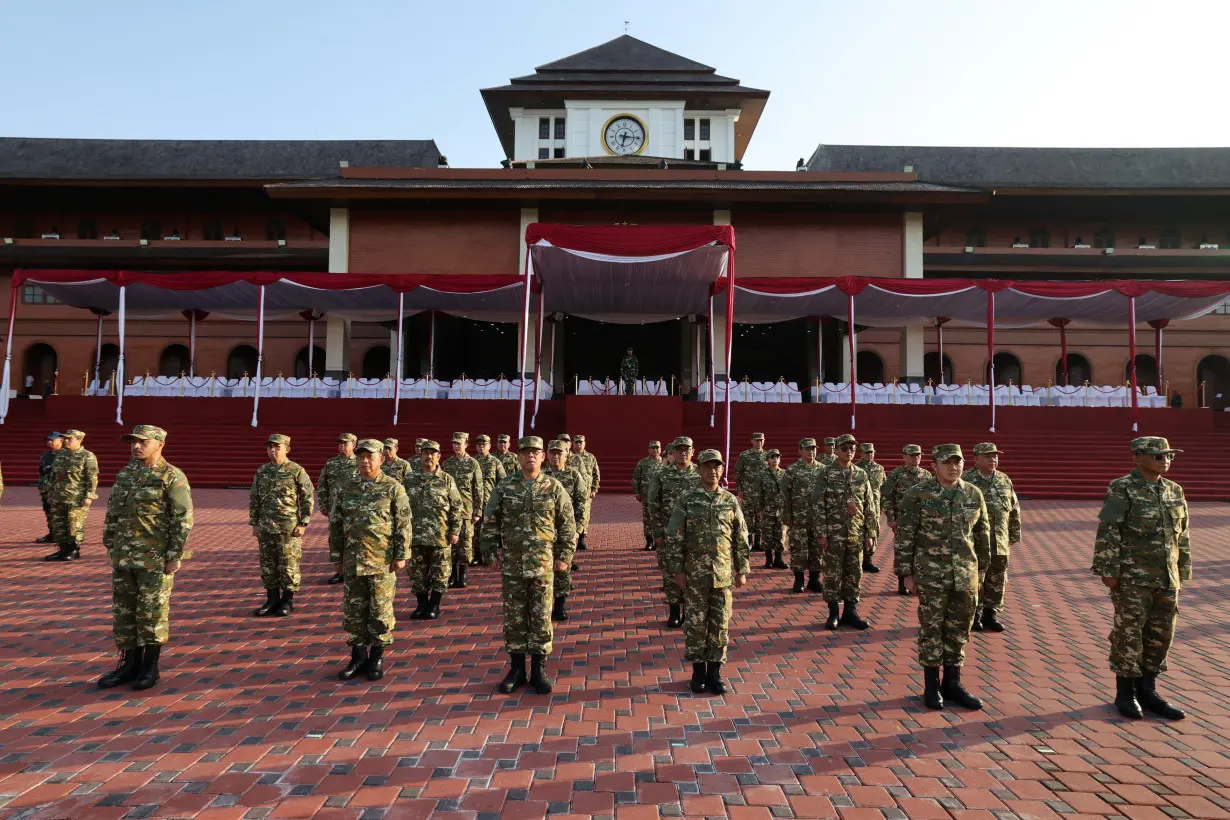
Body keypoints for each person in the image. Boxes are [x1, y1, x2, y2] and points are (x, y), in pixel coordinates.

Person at [1092, 436, 1189, 721]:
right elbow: (1109, 529)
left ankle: (1148, 689)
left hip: (1167, 577)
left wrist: (1182, 570)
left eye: (1169, 455)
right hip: (1132, 577)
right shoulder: (1122, 488)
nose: (1166, 460)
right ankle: (1126, 692)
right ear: (1139, 458)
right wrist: (1107, 570)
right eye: (1159, 456)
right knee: (1129, 633)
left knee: (1161, 635)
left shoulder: (1174, 490)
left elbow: (1182, 535)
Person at [97, 425, 194, 692]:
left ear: (159, 444)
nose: (136, 446)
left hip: (154, 559)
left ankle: (150, 667)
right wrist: (110, 546)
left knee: (151, 613)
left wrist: (174, 555)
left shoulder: (171, 476)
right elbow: (112, 513)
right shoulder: (125, 475)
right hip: (124, 557)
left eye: (143, 442)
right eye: (133, 442)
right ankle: (129, 665)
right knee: (125, 612)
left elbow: (182, 519)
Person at [894, 444, 990, 711]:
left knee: (959, 630)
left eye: (957, 462)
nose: (953, 467)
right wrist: (906, 574)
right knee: (932, 629)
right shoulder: (918, 494)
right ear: (934, 465)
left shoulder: (973, 494)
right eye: (946, 462)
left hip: (965, 574)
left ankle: (953, 683)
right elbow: (905, 535)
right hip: (931, 574)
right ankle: (931, 685)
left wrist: (980, 573)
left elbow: (982, 537)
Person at [480, 436, 576, 695]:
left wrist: (565, 556)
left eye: (535, 452)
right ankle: (516, 668)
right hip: (512, 564)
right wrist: (489, 550)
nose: (530, 456)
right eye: (525, 452)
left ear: (542, 456)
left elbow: (567, 524)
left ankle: (539, 668)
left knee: (541, 616)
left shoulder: (553, 487)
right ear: (518, 456)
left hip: (543, 565)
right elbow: (490, 518)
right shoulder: (505, 487)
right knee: (514, 617)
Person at [666, 449, 750, 695]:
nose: (712, 470)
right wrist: (677, 570)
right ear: (699, 468)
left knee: (720, 625)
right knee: (695, 625)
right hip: (695, 576)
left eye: (717, 466)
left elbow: (740, 535)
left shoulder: (730, 500)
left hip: (722, 575)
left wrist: (741, 568)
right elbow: (674, 535)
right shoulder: (687, 498)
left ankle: (715, 672)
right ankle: (698, 672)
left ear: (722, 469)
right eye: (707, 466)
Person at [329, 439, 411, 682]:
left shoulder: (393, 488)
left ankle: (376, 656)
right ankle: (357, 656)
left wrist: (401, 554)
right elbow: (335, 524)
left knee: (380, 611)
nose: (365, 461)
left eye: (370, 457)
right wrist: (336, 556)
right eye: (361, 456)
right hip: (353, 560)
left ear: (381, 459)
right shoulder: (346, 487)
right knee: (354, 610)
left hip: (381, 561)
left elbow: (403, 524)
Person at [813, 433, 875, 630]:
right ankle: (833, 613)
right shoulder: (825, 473)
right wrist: (821, 533)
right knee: (832, 573)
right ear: (837, 450)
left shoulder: (860, 474)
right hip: (833, 533)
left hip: (855, 533)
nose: (849, 452)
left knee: (854, 573)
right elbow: (817, 504)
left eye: (852, 448)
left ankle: (851, 612)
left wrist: (871, 533)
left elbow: (869, 504)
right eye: (845, 448)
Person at [249, 433, 314, 618]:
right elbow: (255, 498)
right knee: (268, 565)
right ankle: (272, 600)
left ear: (287, 449)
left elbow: (307, 497)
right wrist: (254, 522)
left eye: (277, 447)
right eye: (270, 447)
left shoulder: (296, 470)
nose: (273, 450)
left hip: (288, 528)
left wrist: (303, 522)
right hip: (266, 527)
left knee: (288, 565)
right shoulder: (262, 471)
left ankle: (287, 600)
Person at [963, 443, 1021, 633]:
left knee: (997, 578)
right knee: (975, 578)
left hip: (1000, 540)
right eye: (988, 456)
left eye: (995, 456)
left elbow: (1014, 509)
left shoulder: (1004, 479)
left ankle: (991, 613)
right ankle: (974, 616)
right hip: (976, 542)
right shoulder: (966, 480)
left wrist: (1013, 534)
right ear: (976, 458)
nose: (993, 459)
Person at [402, 440, 462, 620]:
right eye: (425, 453)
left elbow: (457, 506)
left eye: (432, 454)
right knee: (416, 573)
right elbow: (401, 508)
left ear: (438, 457)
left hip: (440, 535)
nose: (428, 457)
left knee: (440, 572)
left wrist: (455, 530)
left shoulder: (446, 480)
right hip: (415, 537)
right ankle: (421, 604)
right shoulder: (410, 479)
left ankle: (434, 604)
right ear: (419, 456)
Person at [646, 437, 700, 627]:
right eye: (679, 450)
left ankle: (690, 611)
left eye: (687, 449)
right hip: (671, 533)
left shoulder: (701, 475)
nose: (683, 453)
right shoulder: (662, 475)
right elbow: (653, 504)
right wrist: (658, 532)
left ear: (693, 451)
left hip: (696, 534)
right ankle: (674, 611)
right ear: (673, 452)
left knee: (694, 572)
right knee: (671, 572)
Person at [544, 440, 590, 621]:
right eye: (553, 453)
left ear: (566, 455)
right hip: (543, 531)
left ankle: (560, 606)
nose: (556, 457)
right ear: (546, 455)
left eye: (560, 453)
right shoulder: (541, 475)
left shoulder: (574, 476)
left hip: (565, 530)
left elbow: (581, 503)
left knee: (563, 569)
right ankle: (543, 606)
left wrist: (578, 529)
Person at [882, 444, 930, 595]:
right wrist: (891, 518)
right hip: (903, 521)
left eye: (918, 455)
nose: (916, 458)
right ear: (904, 457)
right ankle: (902, 583)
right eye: (912, 455)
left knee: (921, 551)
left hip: (922, 521)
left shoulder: (927, 475)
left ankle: (918, 581)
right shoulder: (896, 474)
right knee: (903, 551)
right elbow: (887, 496)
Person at [45, 429, 99, 562]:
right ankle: (62, 549)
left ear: (79, 440)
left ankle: (74, 550)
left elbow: (91, 478)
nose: (66, 441)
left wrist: (89, 496)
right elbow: (54, 476)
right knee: (59, 524)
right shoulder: (61, 454)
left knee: (74, 525)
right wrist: (50, 492)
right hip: (58, 496)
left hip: (76, 498)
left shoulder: (87, 456)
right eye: (65, 438)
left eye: (70, 439)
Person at [782, 438, 824, 594]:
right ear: (800, 451)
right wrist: (787, 516)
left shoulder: (823, 469)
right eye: (807, 449)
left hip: (818, 518)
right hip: (799, 518)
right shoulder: (792, 470)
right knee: (799, 549)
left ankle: (814, 580)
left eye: (813, 448)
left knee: (817, 550)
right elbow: (785, 494)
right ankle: (798, 580)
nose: (811, 451)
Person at [442, 432, 484, 588]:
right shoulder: (447, 463)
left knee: (465, 545)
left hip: (466, 511)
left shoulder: (473, 464)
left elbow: (478, 489)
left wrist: (477, 511)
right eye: (454, 443)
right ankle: (452, 575)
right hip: (450, 510)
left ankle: (463, 575)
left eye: (459, 443)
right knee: (451, 545)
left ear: (466, 444)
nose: (456, 446)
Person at [317, 433, 357, 584]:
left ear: (353, 445)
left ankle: (352, 570)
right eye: (340, 443)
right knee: (336, 539)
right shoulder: (331, 463)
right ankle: (340, 571)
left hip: (353, 509)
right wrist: (323, 504)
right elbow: (322, 485)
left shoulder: (359, 463)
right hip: (335, 509)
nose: (342, 446)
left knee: (353, 538)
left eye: (345, 443)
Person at [471, 434, 507, 566]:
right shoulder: (472, 462)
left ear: (489, 446)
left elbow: (502, 482)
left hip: (491, 502)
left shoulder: (495, 462)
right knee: (475, 531)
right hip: (475, 502)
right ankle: (477, 556)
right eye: (479, 444)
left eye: (484, 444)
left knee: (490, 530)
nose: (481, 447)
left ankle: (490, 556)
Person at [750, 449, 788, 569]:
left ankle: (779, 559)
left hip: (781, 510)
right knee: (767, 534)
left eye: (777, 457)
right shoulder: (762, 474)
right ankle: (768, 559)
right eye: (772, 457)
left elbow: (788, 491)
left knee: (780, 534)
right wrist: (759, 509)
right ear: (768, 460)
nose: (775, 459)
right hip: (767, 509)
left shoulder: (784, 474)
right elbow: (756, 492)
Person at [734, 433, 768, 555]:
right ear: (752, 441)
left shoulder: (768, 455)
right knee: (748, 515)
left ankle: (758, 542)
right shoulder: (745, 455)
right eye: (757, 440)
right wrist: (739, 488)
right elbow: (738, 471)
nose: (759, 442)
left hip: (763, 491)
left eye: (761, 440)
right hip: (748, 490)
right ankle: (749, 541)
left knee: (760, 516)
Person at [856, 443, 886, 573]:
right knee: (857, 533)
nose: (870, 455)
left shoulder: (879, 469)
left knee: (873, 533)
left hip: (875, 508)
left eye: (871, 452)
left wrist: (882, 506)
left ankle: (867, 561)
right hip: (859, 508)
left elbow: (884, 489)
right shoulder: (855, 468)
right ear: (861, 453)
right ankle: (857, 560)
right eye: (867, 452)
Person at [570, 435, 600, 551]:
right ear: (573, 443)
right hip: (571, 492)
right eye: (576, 442)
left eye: (580, 442)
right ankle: (572, 538)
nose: (578, 445)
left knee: (584, 515)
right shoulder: (569, 457)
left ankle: (581, 539)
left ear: (584, 443)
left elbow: (596, 474)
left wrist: (594, 489)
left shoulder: (590, 457)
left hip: (586, 493)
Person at [632, 441, 664, 550]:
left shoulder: (665, 463)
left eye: (657, 448)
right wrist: (636, 492)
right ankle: (649, 541)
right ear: (648, 449)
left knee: (659, 519)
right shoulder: (643, 463)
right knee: (647, 519)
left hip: (661, 497)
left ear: (660, 449)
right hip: (647, 496)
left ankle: (658, 541)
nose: (655, 450)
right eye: (652, 448)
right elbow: (636, 478)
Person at [35, 432, 64, 544]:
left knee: (59, 513)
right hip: (46, 488)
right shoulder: (46, 455)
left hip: (59, 488)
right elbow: (41, 470)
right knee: (48, 511)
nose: (49, 442)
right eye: (48, 440)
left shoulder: (65, 455)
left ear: (61, 440)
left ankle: (61, 536)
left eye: (52, 440)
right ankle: (52, 534)